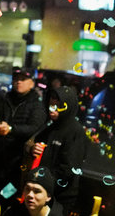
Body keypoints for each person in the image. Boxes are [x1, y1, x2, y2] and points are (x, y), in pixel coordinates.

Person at [0, 68, 47, 205]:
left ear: (32, 83)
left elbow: (34, 128)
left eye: (23, 79)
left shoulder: (36, 105)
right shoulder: (3, 101)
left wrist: (11, 129)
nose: (18, 82)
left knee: (8, 195)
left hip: (18, 163)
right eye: (16, 79)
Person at [27, 86, 86, 214]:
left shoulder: (75, 131)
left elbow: (68, 169)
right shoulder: (50, 127)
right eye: (51, 105)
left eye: (57, 107)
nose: (52, 110)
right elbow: (35, 144)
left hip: (61, 196)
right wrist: (33, 149)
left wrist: (45, 185)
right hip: (43, 193)